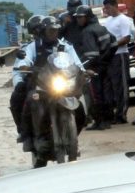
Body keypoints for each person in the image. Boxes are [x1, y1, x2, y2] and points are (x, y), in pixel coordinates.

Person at [12, 16, 83, 151]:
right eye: (50, 30)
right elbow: (24, 60)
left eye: (56, 30)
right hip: (42, 85)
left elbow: (77, 63)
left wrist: (84, 71)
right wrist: (24, 66)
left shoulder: (65, 46)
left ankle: (74, 135)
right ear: (43, 31)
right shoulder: (32, 47)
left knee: (80, 108)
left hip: (62, 83)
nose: (53, 33)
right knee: (28, 100)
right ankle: (26, 135)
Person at [74, 5, 117, 130]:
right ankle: (107, 120)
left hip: (94, 68)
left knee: (96, 94)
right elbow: (114, 43)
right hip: (106, 66)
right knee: (106, 93)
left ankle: (100, 121)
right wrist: (106, 59)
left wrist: (84, 67)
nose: (78, 20)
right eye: (77, 18)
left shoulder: (87, 31)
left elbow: (91, 55)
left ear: (87, 17)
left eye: (80, 17)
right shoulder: (101, 28)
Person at [10, 15, 43, 142]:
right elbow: (18, 69)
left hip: (56, 81)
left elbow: (71, 60)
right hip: (36, 82)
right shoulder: (28, 48)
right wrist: (18, 83)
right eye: (36, 30)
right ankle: (23, 131)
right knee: (17, 98)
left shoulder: (61, 44)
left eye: (41, 29)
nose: (39, 33)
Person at [103, 0, 133, 124]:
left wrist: (113, 45)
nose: (106, 10)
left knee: (122, 85)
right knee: (111, 86)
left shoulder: (123, 20)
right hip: (110, 56)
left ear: (114, 6)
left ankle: (122, 114)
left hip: (120, 55)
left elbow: (126, 38)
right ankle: (112, 113)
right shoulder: (108, 21)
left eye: (108, 7)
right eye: (105, 8)